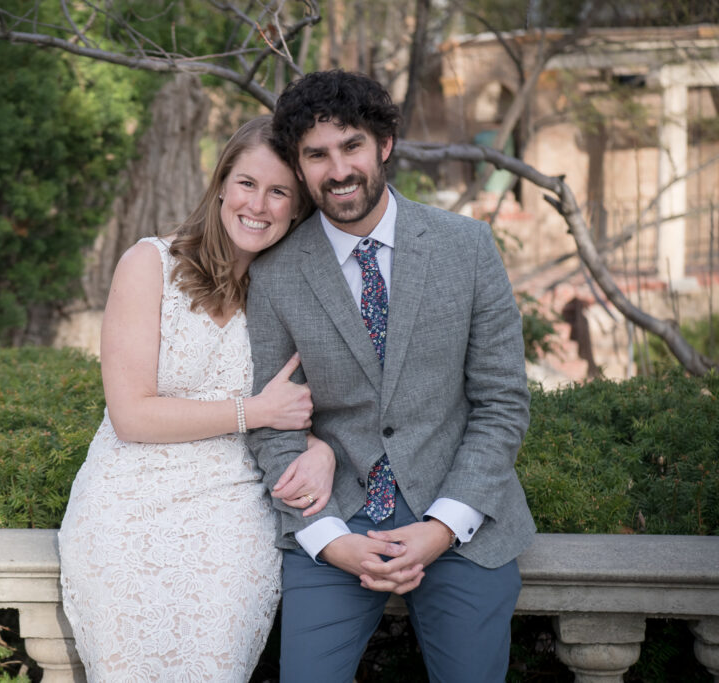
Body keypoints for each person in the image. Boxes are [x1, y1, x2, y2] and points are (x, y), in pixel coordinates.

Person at [245, 70, 536, 682]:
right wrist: (328, 538)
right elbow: (271, 425)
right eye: (316, 155)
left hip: (460, 517)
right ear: (299, 168)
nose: (338, 169)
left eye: (351, 145)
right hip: (336, 513)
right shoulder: (274, 274)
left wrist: (442, 527)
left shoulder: (467, 247)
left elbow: (502, 402)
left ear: (385, 144)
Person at [58, 115, 333, 682]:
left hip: (233, 512)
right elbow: (130, 414)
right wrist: (250, 412)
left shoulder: (292, 294)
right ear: (221, 185)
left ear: (297, 207)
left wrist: (322, 449)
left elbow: (322, 406)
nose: (259, 204)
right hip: (125, 508)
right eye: (247, 184)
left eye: (279, 191)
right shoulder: (149, 264)